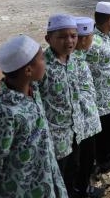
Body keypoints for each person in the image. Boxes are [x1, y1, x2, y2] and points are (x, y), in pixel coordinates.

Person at [0, 35, 67, 197]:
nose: (46, 62)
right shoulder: (5, 113)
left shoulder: (33, 90)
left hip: (46, 182)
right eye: (42, 59)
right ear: (28, 70)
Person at [38, 14, 83, 195]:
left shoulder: (73, 59)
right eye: (62, 37)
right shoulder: (41, 66)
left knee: (73, 171)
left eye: (73, 36)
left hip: (75, 131)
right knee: (58, 179)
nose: (69, 41)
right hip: (55, 140)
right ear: (48, 39)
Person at [87, 1, 110, 172]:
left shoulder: (107, 36)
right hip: (102, 99)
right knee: (105, 130)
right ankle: (104, 160)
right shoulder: (94, 44)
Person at [72, 17, 104, 198]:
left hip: (89, 119)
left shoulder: (81, 56)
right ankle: (83, 190)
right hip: (81, 123)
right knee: (82, 159)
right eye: (91, 36)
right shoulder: (73, 61)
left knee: (87, 157)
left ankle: (85, 186)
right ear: (84, 39)